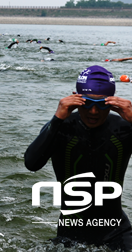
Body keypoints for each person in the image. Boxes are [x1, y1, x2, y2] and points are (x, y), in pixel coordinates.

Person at [25, 65, 132, 250]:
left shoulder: (124, 127)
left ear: (113, 102)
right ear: (76, 97)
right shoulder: (60, 127)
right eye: (87, 103)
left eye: (101, 104)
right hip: (71, 233)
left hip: (117, 232)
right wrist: (57, 118)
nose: (93, 112)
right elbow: (32, 163)